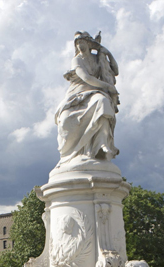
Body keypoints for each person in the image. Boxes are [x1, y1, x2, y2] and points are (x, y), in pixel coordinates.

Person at [55, 31, 120, 167]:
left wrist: (106, 52)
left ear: (89, 43)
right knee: (66, 118)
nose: (79, 45)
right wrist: (108, 86)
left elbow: (115, 70)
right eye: (77, 43)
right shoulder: (77, 60)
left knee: (102, 102)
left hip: (95, 92)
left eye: (82, 42)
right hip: (77, 94)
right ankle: (71, 155)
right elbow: (86, 78)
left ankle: (101, 144)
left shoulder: (98, 58)